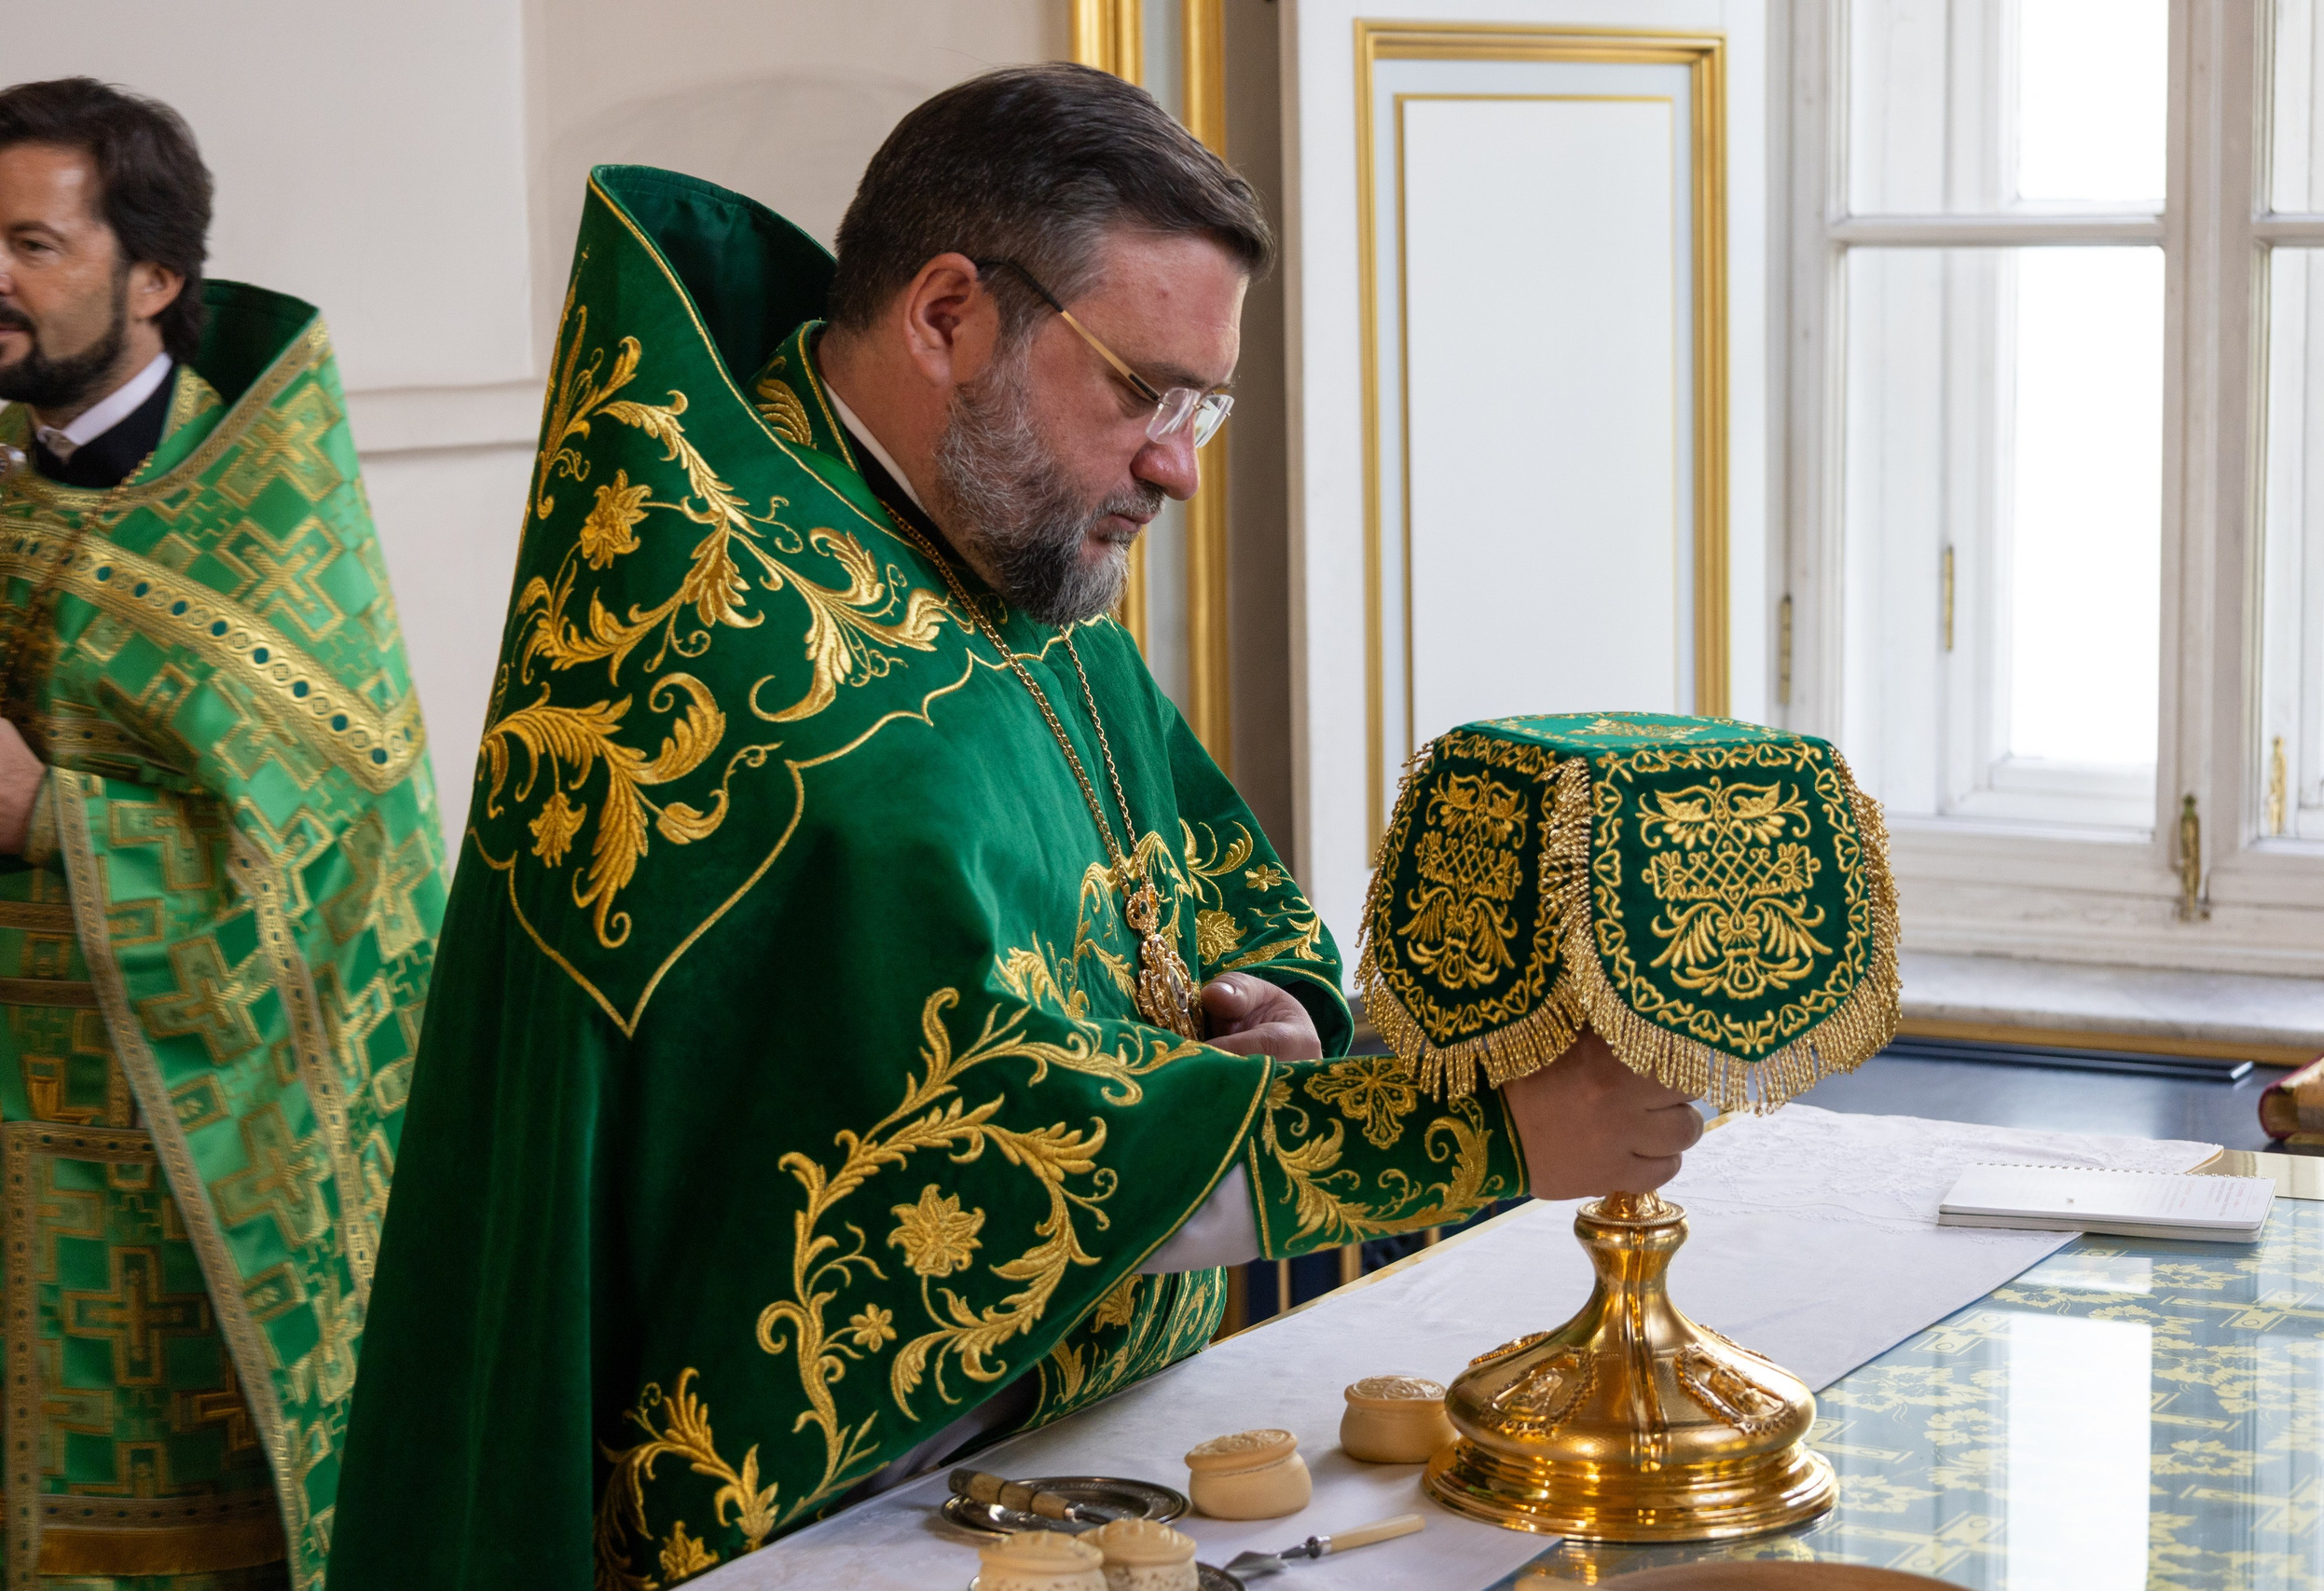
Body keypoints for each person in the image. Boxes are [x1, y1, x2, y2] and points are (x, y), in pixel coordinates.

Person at [329, 63, 1695, 1588]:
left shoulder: (979, 525)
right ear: (946, 316)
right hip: (842, 1501)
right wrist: (1487, 1133)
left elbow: (1192, 861)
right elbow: (963, 1165)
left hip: (1094, 1416)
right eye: (1141, 389)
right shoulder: (746, 650)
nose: (1178, 463)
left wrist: (1280, 1009)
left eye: (1204, 404)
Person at [0, 77, 445, 1589]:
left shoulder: (262, 512)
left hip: (181, 1146)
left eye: (30, 246)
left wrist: (52, 812)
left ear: (156, 276)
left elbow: (311, 849)